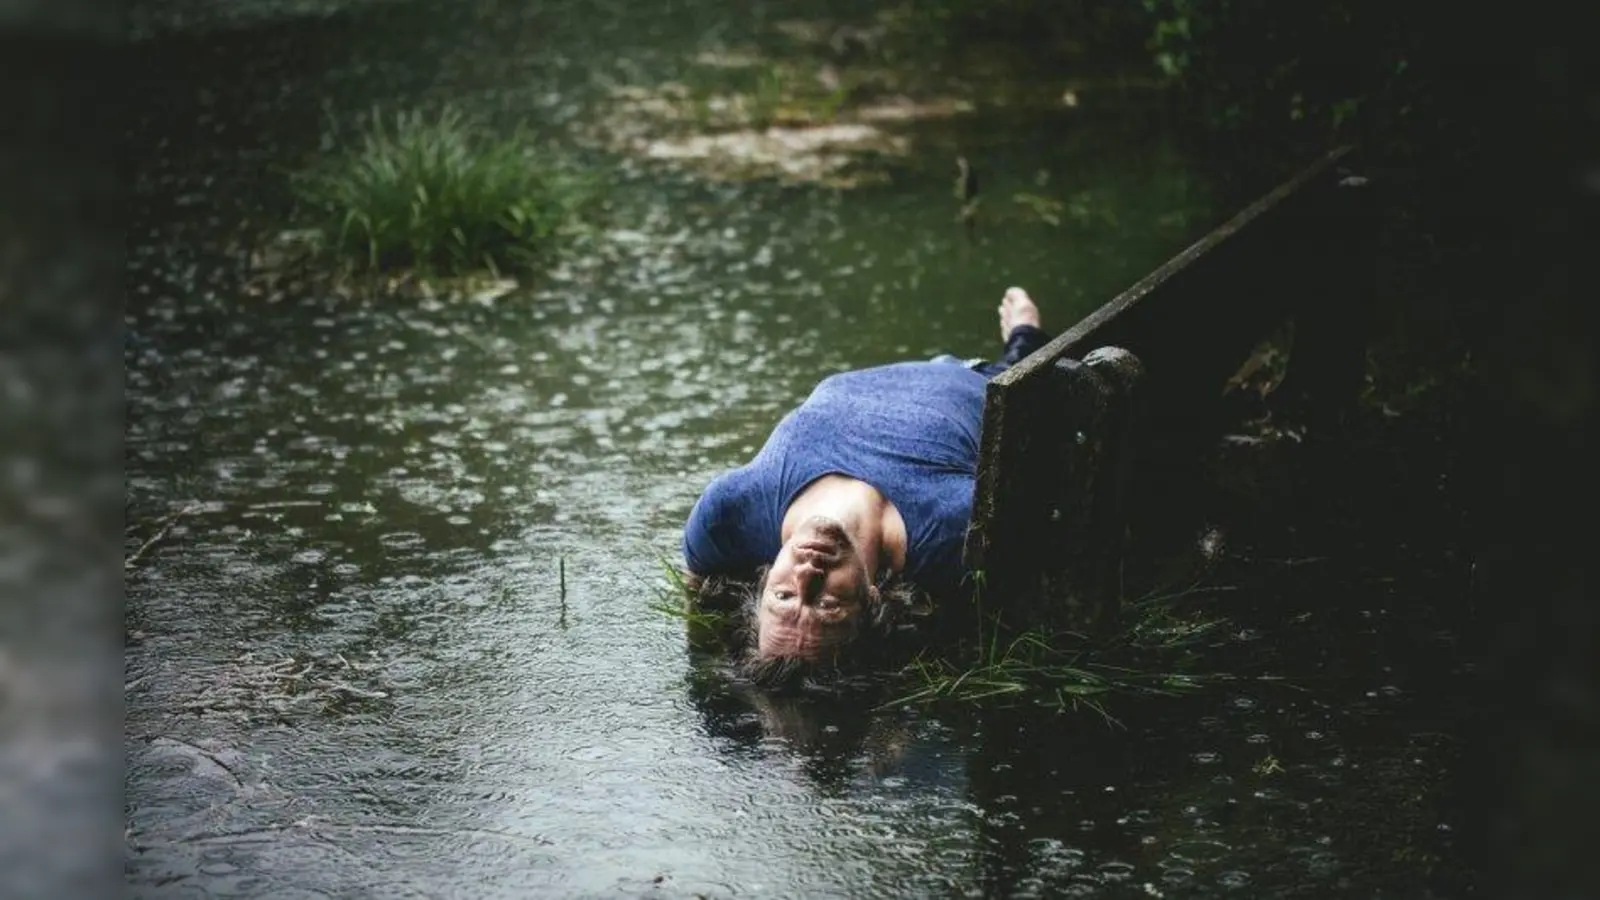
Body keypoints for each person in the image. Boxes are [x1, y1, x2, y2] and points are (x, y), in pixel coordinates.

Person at [681, 287, 1053, 684]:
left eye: (784, 596)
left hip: (896, 371)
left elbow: (694, 590)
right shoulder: (955, 533)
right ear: (872, 598)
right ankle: (1025, 338)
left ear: (763, 583)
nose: (808, 574)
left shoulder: (728, 517)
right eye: (827, 604)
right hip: (980, 382)